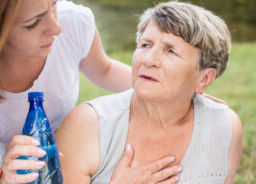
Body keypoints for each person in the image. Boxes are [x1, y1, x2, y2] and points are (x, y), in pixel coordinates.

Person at [0, 0, 184, 183]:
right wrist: (6, 176)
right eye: (33, 23)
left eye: (53, 4)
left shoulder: (73, 22)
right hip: (2, 166)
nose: (56, 27)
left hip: (65, 155)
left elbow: (104, 70)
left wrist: (173, 91)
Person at [55, 1, 243, 184]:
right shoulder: (86, 126)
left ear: (204, 79)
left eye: (170, 51)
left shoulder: (225, 127)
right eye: (145, 45)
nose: (149, 60)